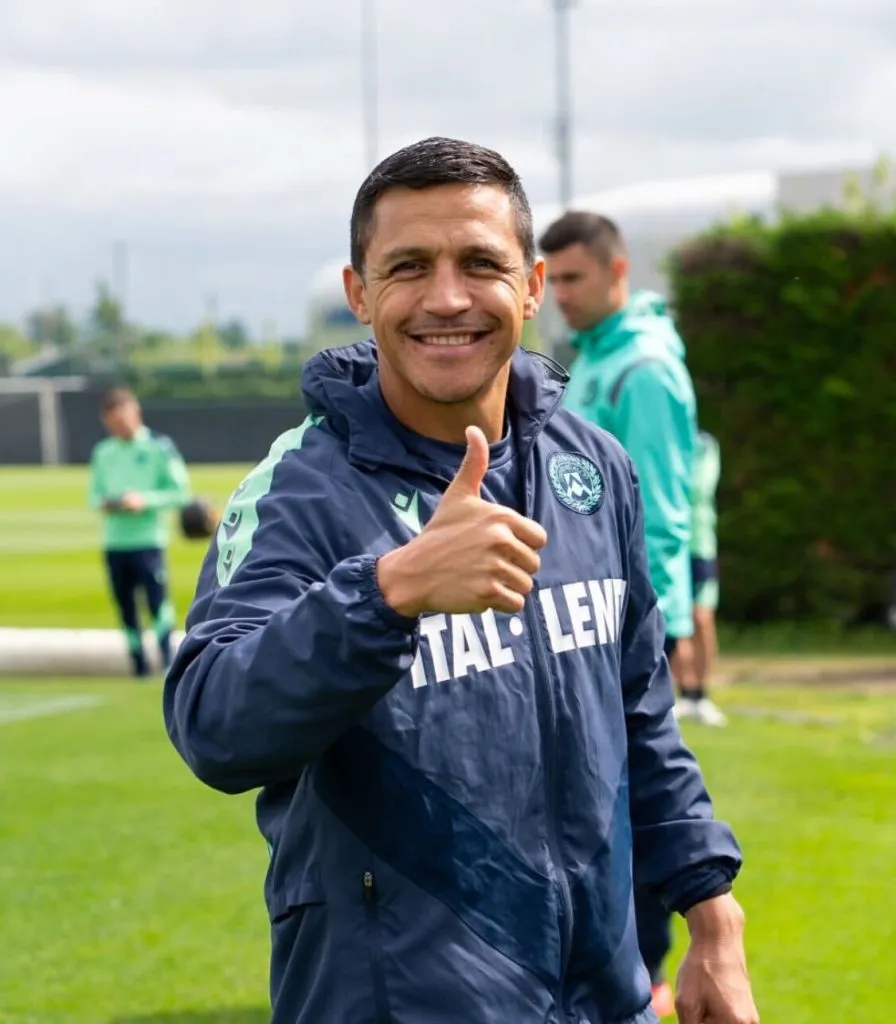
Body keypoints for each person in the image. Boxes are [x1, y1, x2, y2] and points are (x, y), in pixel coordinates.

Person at [163, 137, 758, 1024]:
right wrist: (388, 590)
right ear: (360, 293)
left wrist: (711, 909)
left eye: (481, 262)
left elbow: (639, 714)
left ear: (530, 285)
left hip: (604, 997)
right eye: (409, 267)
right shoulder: (299, 493)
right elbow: (213, 722)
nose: (447, 298)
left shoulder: (592, 468)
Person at [538, 210, 728, 1015]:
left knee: (623, 796)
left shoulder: (641, 369)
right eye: (555, 280)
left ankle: (639, 982)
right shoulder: (590, 360)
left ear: (618, 274)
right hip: (569, 620)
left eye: (576, 278)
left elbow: (661, 508)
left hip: (617, 623)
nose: (562, 297)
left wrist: (661, 628)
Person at [88, 387, 191, 678]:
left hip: (148, 539)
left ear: (136, 414)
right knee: (125, 606)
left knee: (157, 603)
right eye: (112, 425)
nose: (118, 429)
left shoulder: (159, 447)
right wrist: (108, 503)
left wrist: (144, 500)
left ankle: (168, 661)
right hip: (115, 540)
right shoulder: (103, 451)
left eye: (122, 422)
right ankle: (138, 665)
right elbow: (93, 495)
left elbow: (180, 492)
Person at [683, 429, 726, 726]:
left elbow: (699, 487)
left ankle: (703, 693)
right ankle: (686, 693)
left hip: (700, 543)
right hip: (670, 546)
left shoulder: (705, 444)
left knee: (702, 619)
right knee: (675, 620)